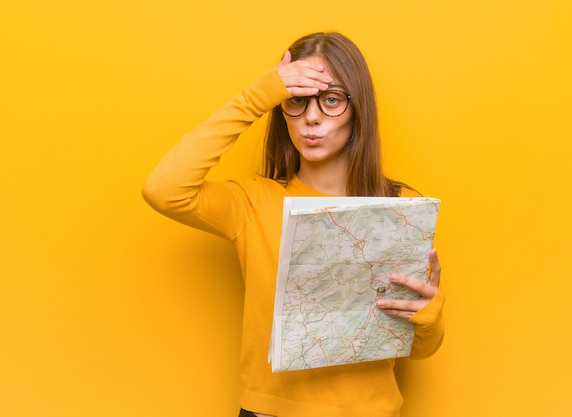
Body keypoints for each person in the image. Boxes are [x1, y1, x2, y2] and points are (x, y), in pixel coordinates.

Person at [143, 31, 445, 417]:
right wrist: (260, 93)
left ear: (358, 110)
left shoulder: (402, 208)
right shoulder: (252, 203)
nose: (312, 117)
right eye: (296, 101)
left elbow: (420, 348)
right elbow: (162, 188)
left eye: (331, 100)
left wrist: (429, 314)